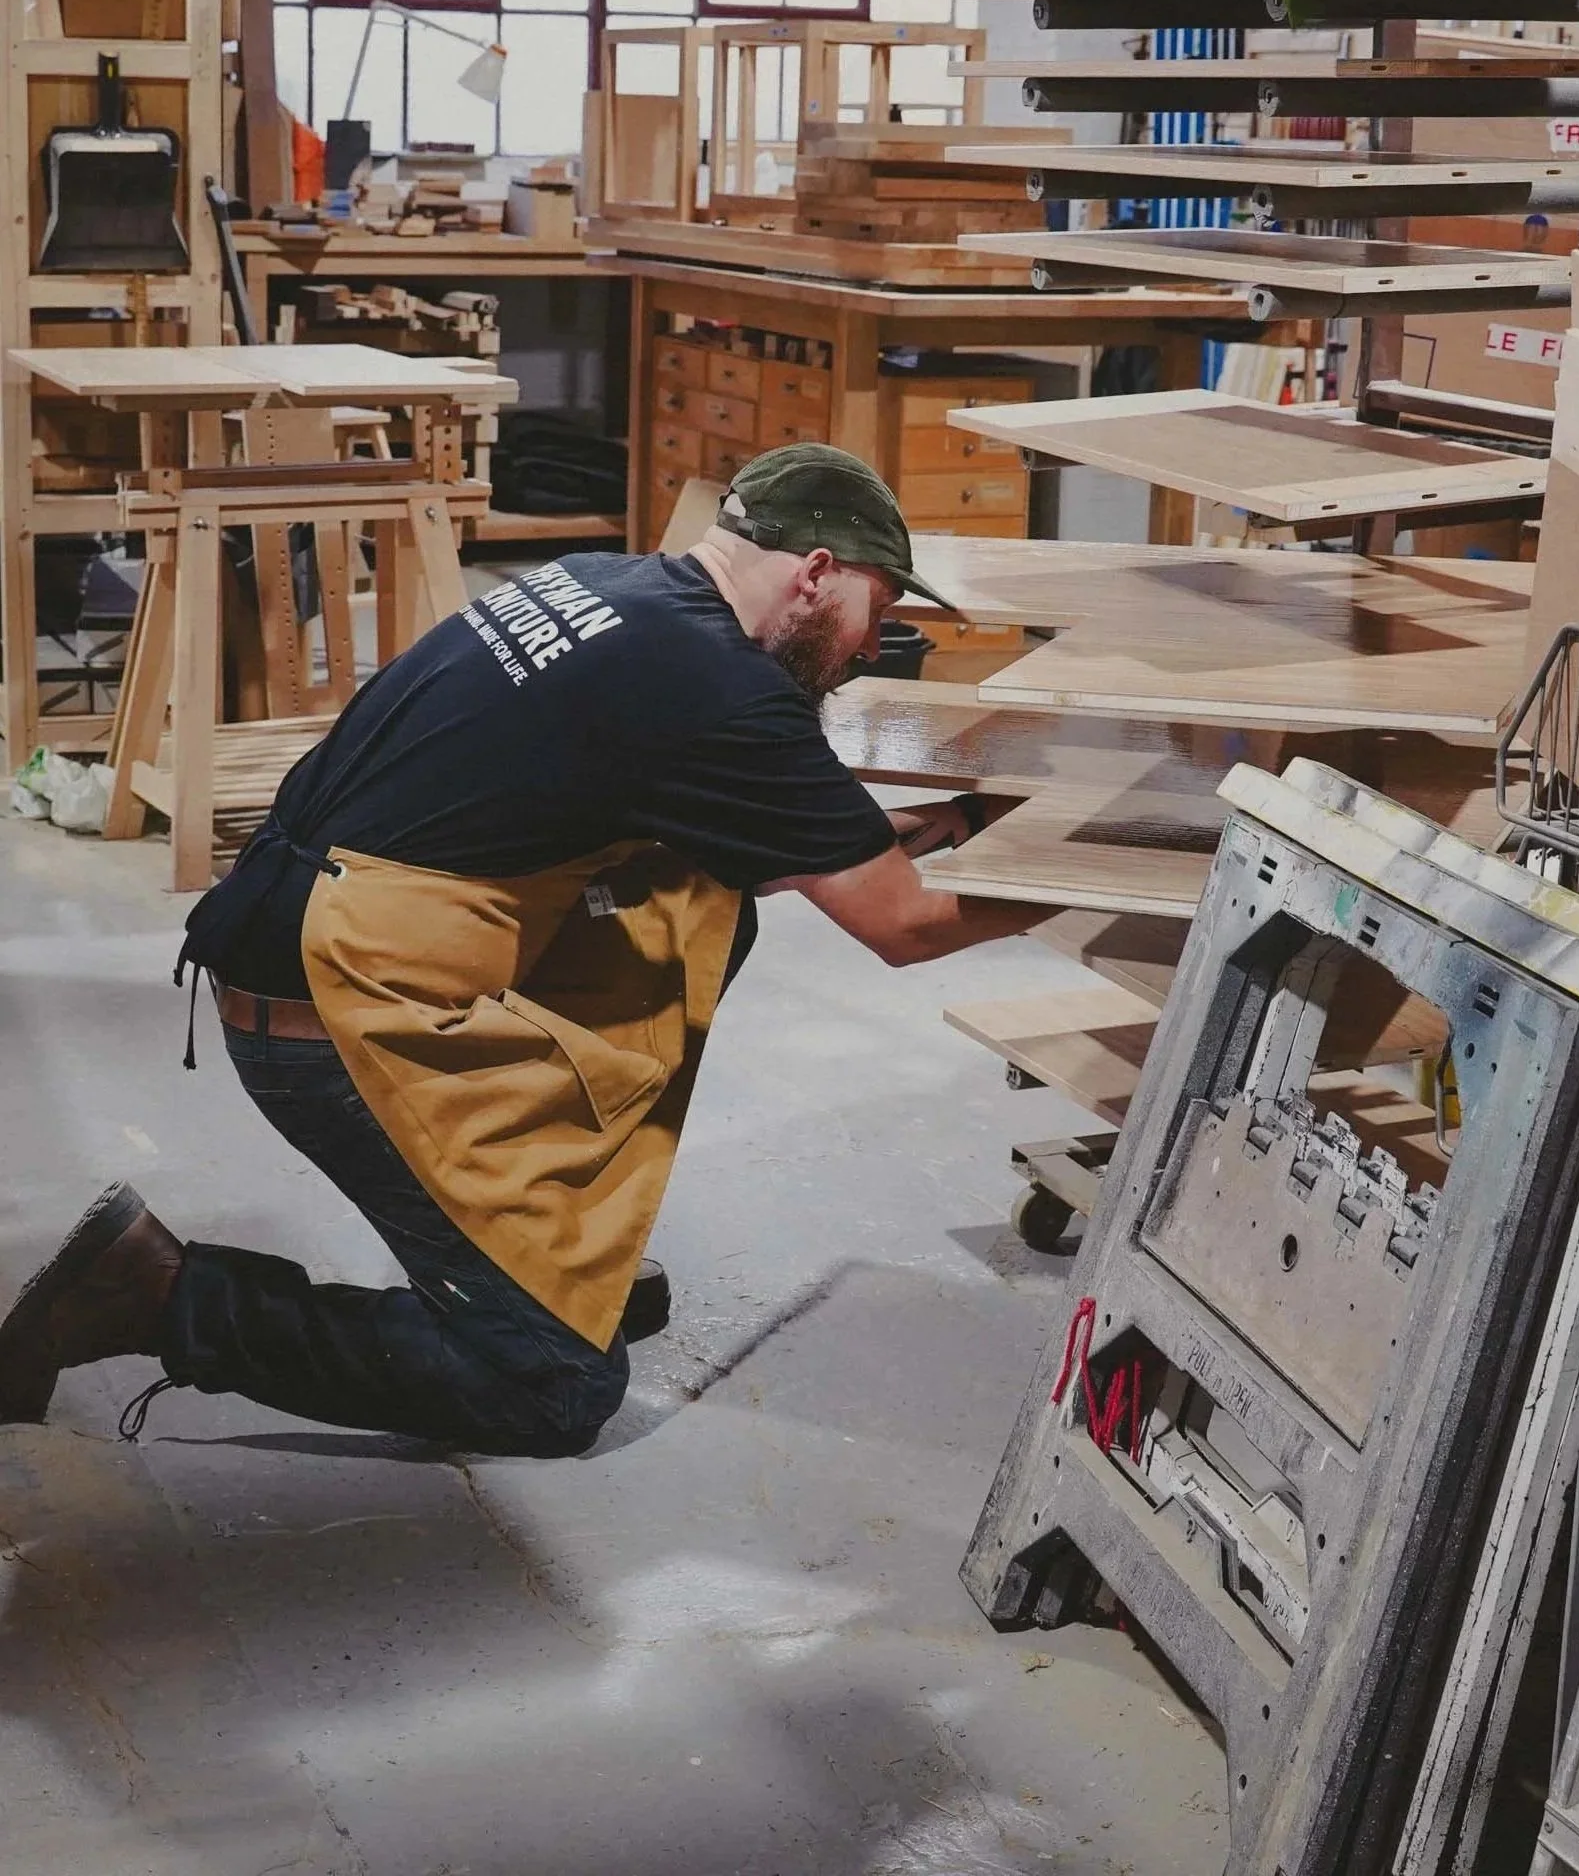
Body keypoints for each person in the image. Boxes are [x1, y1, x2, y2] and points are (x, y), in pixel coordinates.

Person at [0, 445, 1048, 1455]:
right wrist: (1077, 882)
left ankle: (539, 1247)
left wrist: (956, 821)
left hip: (297, 929)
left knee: (698, 896)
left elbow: (778, 856)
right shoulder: (721, 689)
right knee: (551, 1385)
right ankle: (159, 1291)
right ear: (817, 572)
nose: (874, 645)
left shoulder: (609, 589)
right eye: (881, 610)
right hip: (334, 1008)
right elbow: (901, 926)